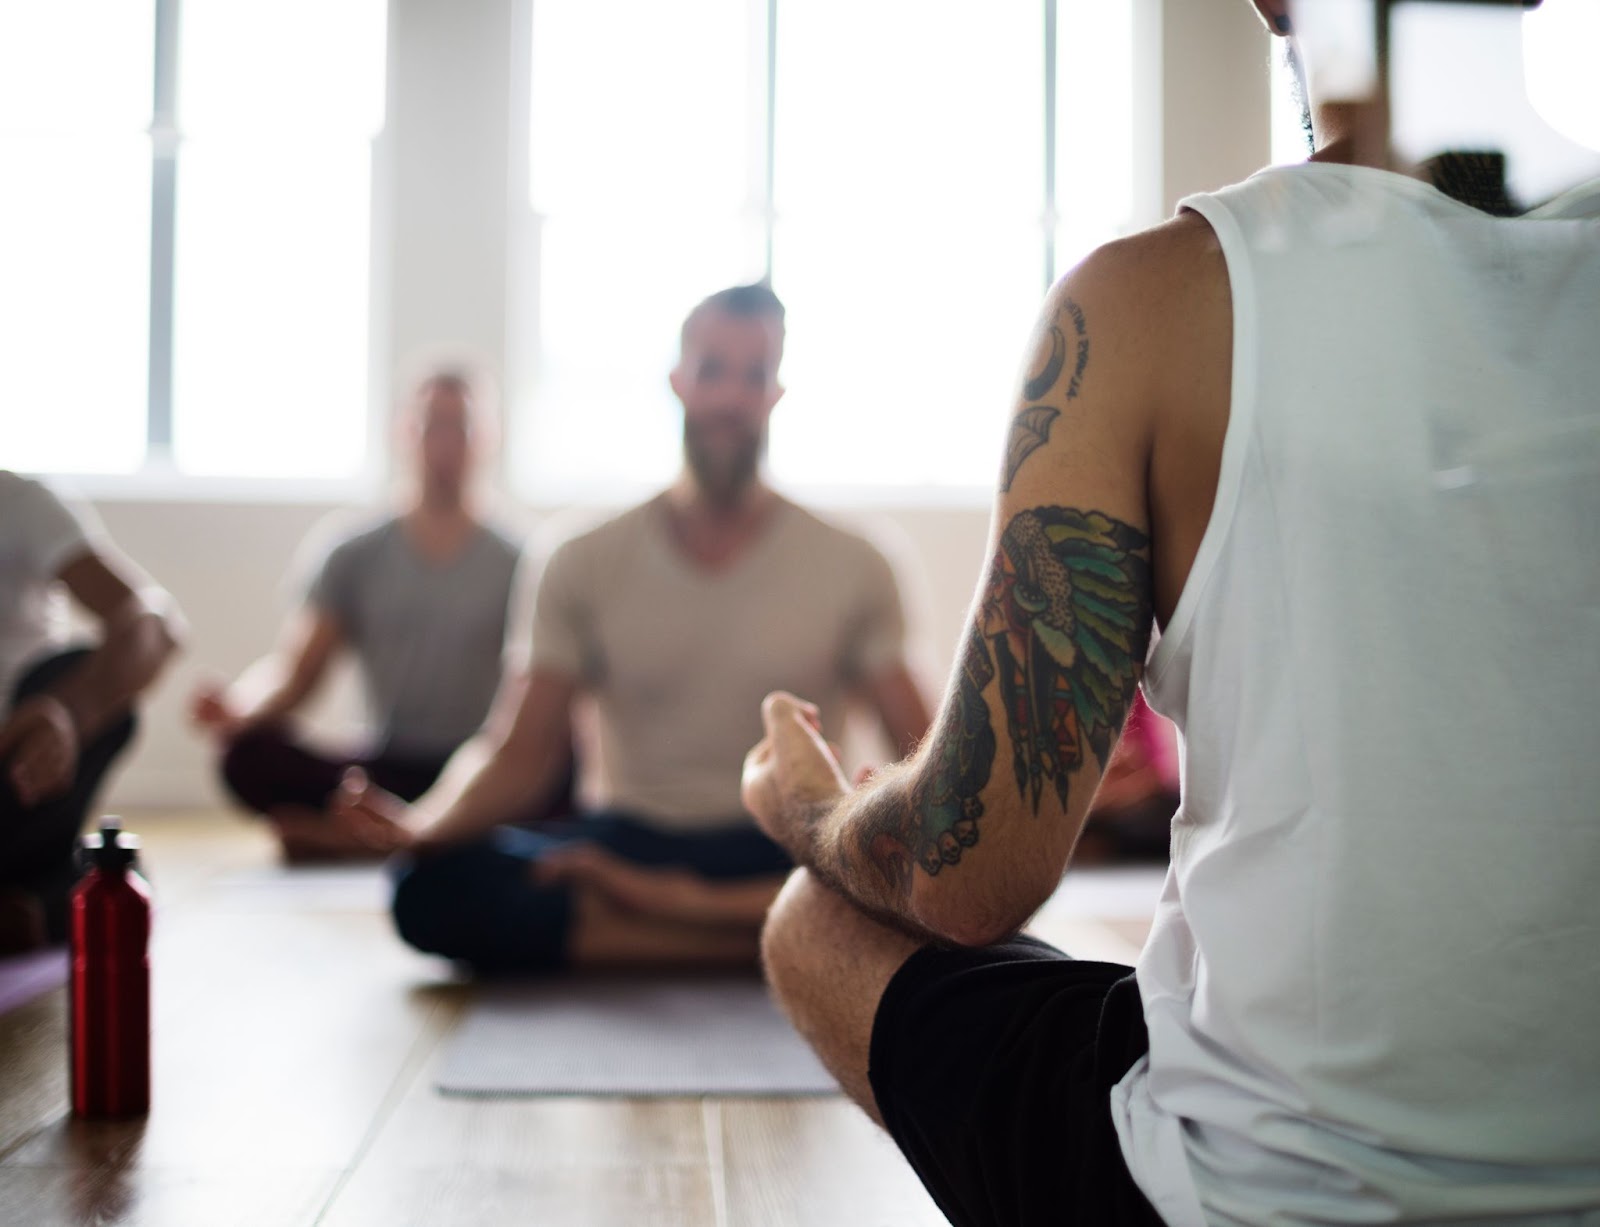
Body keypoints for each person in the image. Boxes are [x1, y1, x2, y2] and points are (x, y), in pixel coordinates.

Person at [741, 3, 1600, 1224]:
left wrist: (809, 805)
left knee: (814, 918)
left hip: (1252, 1193)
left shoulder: (1144, 303)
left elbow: (965, 877)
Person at [343, 283, 932, 973]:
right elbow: (517, 750)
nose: (730, 398)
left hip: (786, 843)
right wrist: (423, 824)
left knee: (923, 883)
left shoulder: (857, 560)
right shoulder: (580, 556)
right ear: (679, 381)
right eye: (713, 370)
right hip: (629, 840)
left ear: (776, 392)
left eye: (754, 374)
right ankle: (771, 938)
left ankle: (664, 918)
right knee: (428, 888)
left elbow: (919, 754)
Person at [190, 370, 547, 862]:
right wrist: (240, 707)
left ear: (487, 438)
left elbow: (544, 703)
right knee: (245, 754)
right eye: (432, 426)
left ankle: (355, 837)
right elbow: (296, 675)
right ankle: (403, 831)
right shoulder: (353, 552)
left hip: (480, 767)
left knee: (557, 772)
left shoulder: (525, 560)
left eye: (459, 427)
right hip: (384, 767)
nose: (445, 443)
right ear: (405, 432)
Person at [0, 472, 182, 953]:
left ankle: (42, 901)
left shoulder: (22, 503)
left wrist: (63, 712)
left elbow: (154, 624)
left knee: (89, 673)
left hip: (14, 779)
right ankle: (49, 899)